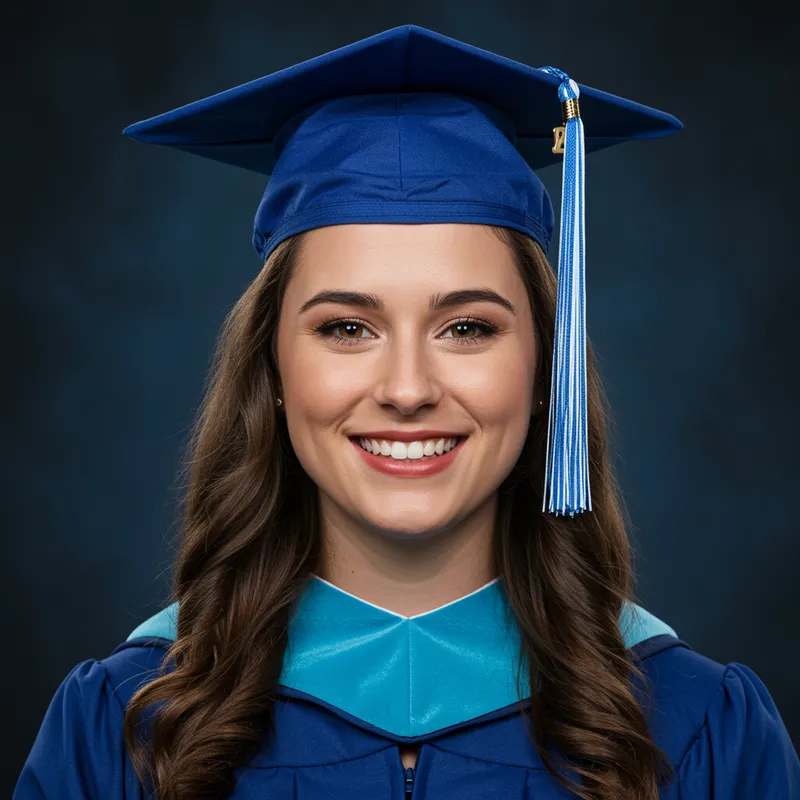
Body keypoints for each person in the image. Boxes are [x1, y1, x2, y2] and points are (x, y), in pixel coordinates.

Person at [14, 24, 799, 800]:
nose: (407, 388)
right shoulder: (122, 728)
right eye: (346, 328)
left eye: (468, 328)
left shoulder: (697, 730)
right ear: (274, 367)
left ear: (542, 374)